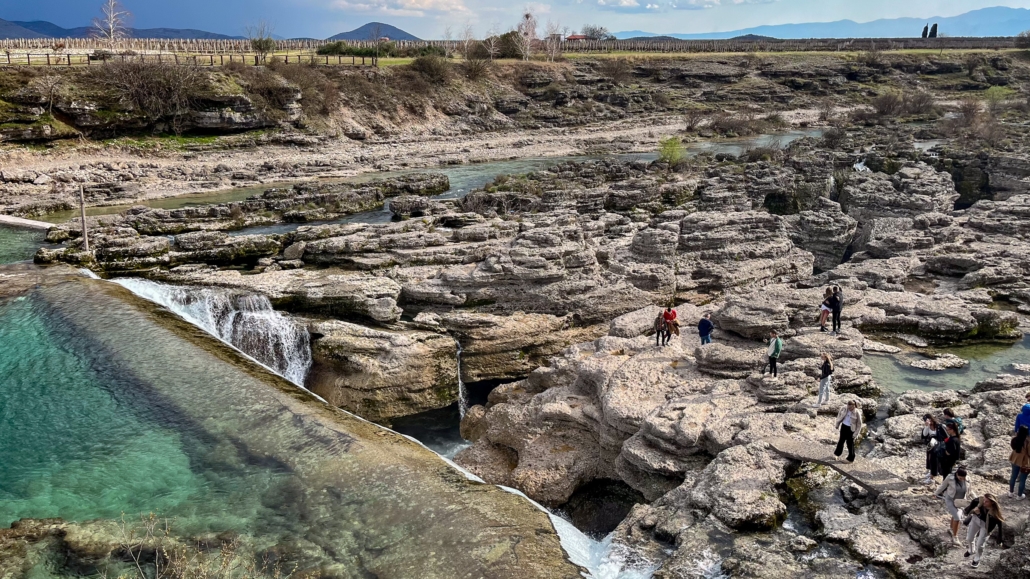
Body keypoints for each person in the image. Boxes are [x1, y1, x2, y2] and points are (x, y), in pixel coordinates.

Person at [964, 493, 1004, 569]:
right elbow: (973, 502)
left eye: (987, 502)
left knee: (980, 544)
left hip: (986, 526)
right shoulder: (980, 501)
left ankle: (977, 558)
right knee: (969, 538)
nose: (984, 503)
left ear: (992, 502)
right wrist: (968, 510)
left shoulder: (994, 512)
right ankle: (971, 550)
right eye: (984, 500)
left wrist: (1000, 537)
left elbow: (998, 523)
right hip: (975, 520)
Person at [935, 468, 973, 545]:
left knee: (956, 515)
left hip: (961, 501)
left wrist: (976, 498)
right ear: (957, 474)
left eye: (964, 478)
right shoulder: (950, 477)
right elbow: (942, 486)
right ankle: (955, 537)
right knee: (957, 517)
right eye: (960, 478)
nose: (962, 479)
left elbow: (970, 490)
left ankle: (952, 529)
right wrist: (935, 493)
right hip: (950, 500)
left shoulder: (968, 479)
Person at [922, 414, 948, 485]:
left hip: (939, 443)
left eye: (929, 419)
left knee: (934, 458)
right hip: (932, 442)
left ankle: (932, 476)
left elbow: (946, 436)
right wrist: (927, 426)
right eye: (927, 420)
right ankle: (931, 471)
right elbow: (924, 435)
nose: (929, 421)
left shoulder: (939, 426)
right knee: (929, 457)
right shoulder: (928, 426)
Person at [1009, 424, 1030, 500]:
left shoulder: (1014, 439)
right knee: (1022, 479)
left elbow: (1012, 447)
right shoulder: (1028, 441)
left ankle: (1011, 492)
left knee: (1013, 476)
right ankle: (1019, 495)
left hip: (1014, 459)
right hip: (1024, 462)